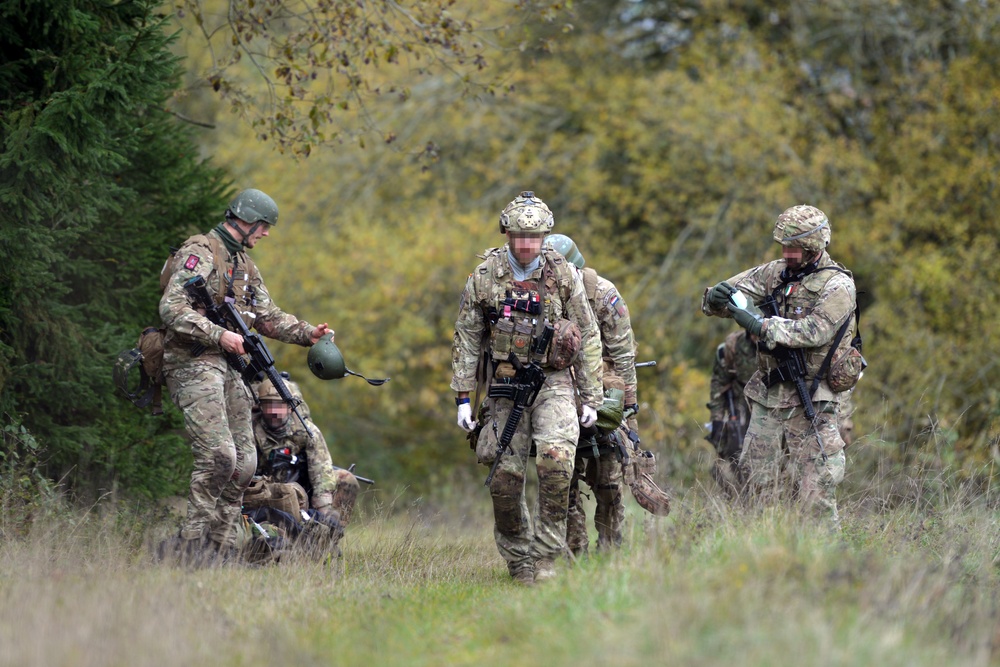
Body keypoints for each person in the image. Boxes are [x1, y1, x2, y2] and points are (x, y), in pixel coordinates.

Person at [159, 188, 331, 564]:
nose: (266, 234)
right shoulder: (200, 252)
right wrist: (220, 334)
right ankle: (190, 546)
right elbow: (170, 308)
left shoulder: (244, 266)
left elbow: (268, 316)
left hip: (226, 366)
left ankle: (219, 547)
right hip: (192, 362)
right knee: (220, 456)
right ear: (248, 219)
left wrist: (308, 334)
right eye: (265, 226)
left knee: (246, 463)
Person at [451, 191, 603, 585]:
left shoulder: (563, 274)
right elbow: (467, 337)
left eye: (532, 238)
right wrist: (464, 398)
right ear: (506, 233)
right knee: (505, 478)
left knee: (555, 462)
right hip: (505, 384)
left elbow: (586, 334)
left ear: (544, 237)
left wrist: (591, 395)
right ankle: (519, 559)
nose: (525, 244)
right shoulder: (485, 277)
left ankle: (547, 556)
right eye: (518, 235)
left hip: (552, 381)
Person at [702, 205, 862, 527]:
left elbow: (814, 331)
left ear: (815, 246)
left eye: (795, 248)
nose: (787, 253)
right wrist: (714, 298)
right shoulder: (774, 273)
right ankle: (764, 551)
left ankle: (825, 561)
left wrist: (761, 326)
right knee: (756, 481)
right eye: (784, 246)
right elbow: (729, 298)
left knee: (816, 489)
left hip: (813, 397)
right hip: (769, 394)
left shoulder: (838, 286)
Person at [545, 234, 636, 557]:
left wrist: (628, 407)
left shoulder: (602, 294)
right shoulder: (543, 293)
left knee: (608, 476)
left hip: (603, 386)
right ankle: (573, 549)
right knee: (560, 474)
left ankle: (611, 547)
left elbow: (623, 353)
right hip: (558, 388)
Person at [250, 375, 360, 528]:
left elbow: (321, 470)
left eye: (279, 405)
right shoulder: (249, 430)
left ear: (289, 407)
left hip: (300, 486)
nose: (274, 411)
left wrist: (325, 514)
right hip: (264, 489)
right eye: (269, 405)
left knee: (346, 480)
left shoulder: (306, 431)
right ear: (261, 407)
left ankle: (329, 537)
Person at [705, 330, 756, 494]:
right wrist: (717, 421)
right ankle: (741, 496)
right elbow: (718, 387)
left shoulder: (778, 340)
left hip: (773, 403)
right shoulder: (732, 347)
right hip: (739, 403)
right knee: (734, 450)